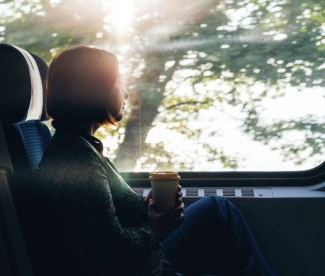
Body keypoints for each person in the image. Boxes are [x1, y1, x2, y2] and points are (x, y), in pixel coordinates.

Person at [38, 46, 277, 275]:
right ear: (94, 89)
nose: (126, 92)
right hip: (146, 268)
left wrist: (150, 208)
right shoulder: (76, 159)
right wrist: (154, 228)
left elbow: (104, 216)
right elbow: (108, 252)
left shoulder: (81, 146)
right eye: (118, 82)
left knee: (218, 208)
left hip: (148, 258)